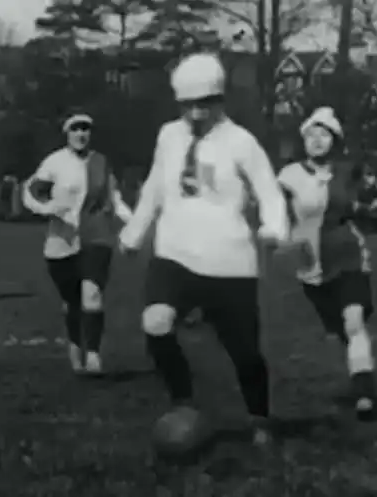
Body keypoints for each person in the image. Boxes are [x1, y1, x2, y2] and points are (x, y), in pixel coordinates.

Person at [119, 53, 289, 446]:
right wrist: (135, 230)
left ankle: (260, 419)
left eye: (204, 105)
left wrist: (273, 228)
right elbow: (155, 187)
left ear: (220, 100)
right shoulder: (168, 135)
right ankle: (183, 403)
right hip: (174, 252)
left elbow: (270, 192)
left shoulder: (241, 143)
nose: (195, 114)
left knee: (244, 353)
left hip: (228, 262)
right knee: (156, 322)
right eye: (187, 106)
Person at [276, 107, 377, 419]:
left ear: (335, 140)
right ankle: (360, 367)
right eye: (311, 134)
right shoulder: (289, 175)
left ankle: (364, 393)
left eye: (324, 134)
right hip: (311, 266)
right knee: (342, 331)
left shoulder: (348, 172)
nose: (317, 140)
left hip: (349, 255)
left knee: (354, 321)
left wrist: (374, 206)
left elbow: (369, 201)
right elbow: (271, 211)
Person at [22, 113, 133, 375]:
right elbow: (29, 193)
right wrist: (48, 209)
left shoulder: (101, 163)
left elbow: (115, 199)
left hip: (96, 237)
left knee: (92, 296)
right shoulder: (55, 162)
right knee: (72, 302)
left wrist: (135, 223)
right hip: (61, 242)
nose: (81, 134)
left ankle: (93, 354)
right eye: (76, 129)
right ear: (67, 133)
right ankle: (75, 347)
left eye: (86, 129)